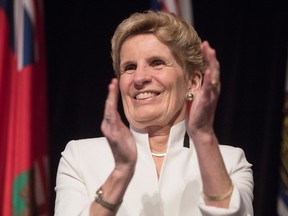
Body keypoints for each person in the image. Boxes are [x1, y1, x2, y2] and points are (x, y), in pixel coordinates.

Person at [54, 10, 254, 216]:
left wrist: (203, 136)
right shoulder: (80, 157)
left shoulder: (230, 161)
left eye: (157, 63)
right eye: (129, 67)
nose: (139, 78)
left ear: (192, 83)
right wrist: (121, 172)